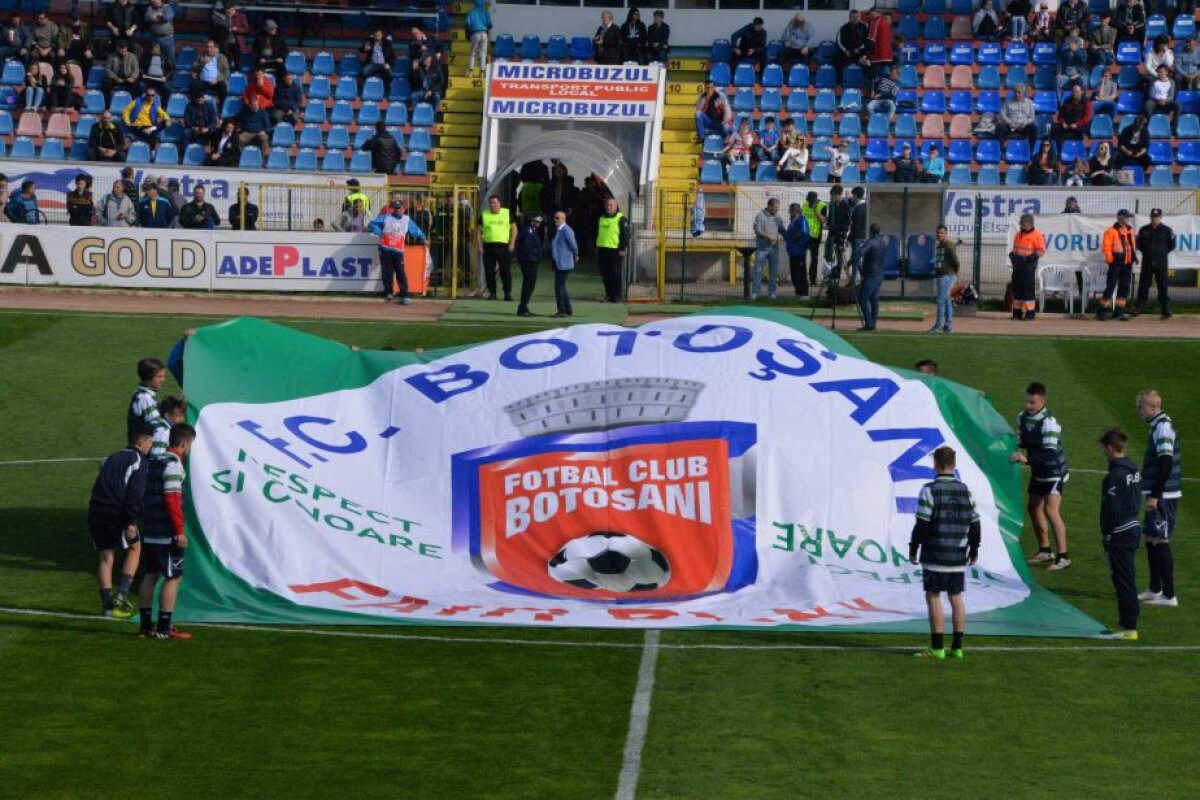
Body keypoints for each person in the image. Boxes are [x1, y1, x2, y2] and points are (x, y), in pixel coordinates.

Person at [909, 445, 981, 659]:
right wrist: (974, 549)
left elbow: (922, 524)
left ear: (935, 464)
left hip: (935, 553)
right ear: (954, 464)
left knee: (933, 596)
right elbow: (975, 523)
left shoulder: (929, 489)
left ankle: (937, 648)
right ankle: (957, 647)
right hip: (958, 554)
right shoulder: (965, 489)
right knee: (956, 596)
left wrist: (914, 547)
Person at [137, 423, 197, 640]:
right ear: (184, 443)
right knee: (173, 577)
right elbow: (172, 499)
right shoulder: (173, 465)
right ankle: (164, 627)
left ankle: (145, 627)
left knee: (150, 575)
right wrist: (179, 531)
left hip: (150, 529)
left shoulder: (154, 461)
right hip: (166, 532)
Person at [87, 423, 152, 619]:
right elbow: (134, 495)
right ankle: (121, 596)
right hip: (116, 513)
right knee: (135, 547)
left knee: (105, 558)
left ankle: (107, 607)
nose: (150, 446)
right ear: (141, 441)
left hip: (96, 510)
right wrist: (130, 522)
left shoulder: (111, 457)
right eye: (150, 442)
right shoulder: (139, 461)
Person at [1010, 382, 1071, 570]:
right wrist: (1015, 439)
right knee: (1033, 508)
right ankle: (1045, 550)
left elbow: (1050, 453)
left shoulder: (1049, 422)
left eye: (1033, 402)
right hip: (1039, 470)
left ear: (1043, 401)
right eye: (1027, 401)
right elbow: (1025, 440)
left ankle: (1063, 557)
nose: (1028, 405)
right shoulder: (1022, 416)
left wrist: (1026, 459)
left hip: (1053, 471)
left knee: (1051, 511)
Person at [1095, 428, 1143, 640]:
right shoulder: (1134, 469)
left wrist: (1106, 534)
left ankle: (1129, 628)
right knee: (1126, 578)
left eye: (1103, 449)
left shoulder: (1114, 476)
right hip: (1132, 527)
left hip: (1120, 533)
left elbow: (1111, 509)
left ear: (1109, 448)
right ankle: (1128, 625)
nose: (1102, 453)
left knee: (1124, 580)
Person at [1135, 390, 1181, 608]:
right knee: (1150, 537)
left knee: (1160, 540)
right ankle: (1155, 588)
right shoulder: (1157, 425)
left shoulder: (1162, 427)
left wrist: (1155, 494)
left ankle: (1169, 595)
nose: (1138, 411)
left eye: (1141, 407)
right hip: (1159, 492)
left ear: (1153, 407)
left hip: (1163, 494)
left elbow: (1166, 461)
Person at [369, 198, 426, 305]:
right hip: (385, 249)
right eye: (396, 208)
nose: (397, 210)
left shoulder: (407, 220)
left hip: (398, 251)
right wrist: (379, 232)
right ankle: (388, 292)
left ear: (403, 209)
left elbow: (415, 231)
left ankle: (405, 294)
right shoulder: (386, 217)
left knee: (400, 272)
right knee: (387, 272)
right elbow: (372, 223)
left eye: (399, 208)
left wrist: (423, 238)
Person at [1133, 208, 1174, 318]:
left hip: (1161, 263)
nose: (1154, 219)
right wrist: (1148, 253)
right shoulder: (1143, 230)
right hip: (1147, 262)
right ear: (1150, 217)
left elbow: (1171, 246)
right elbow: (1139, 245)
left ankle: (1165, 309)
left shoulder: (1167, 230)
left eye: (1156, 217)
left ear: (1160, 217)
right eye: (1153, 217)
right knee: (1143, 285)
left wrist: (1160, 253)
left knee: (1162, 286)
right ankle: (1138, 307)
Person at [1098, 208, 1137, 321]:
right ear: (1120, 217)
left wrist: (1133, 257)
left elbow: (1131, 246)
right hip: (1116, 263)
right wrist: (1111, 260)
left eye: (1128, 217)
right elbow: (1106, 247)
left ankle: (1119, 313)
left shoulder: (1130, 230)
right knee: (1110, 287)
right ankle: (1102, 311)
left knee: (1124, 288)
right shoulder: (1110, 231)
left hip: (1127, 263)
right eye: (1127, 217)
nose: (1128, 219)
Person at [477, 195, 516, 301]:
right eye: (491, 203)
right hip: (488, 247)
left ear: (499, 203)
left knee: (505, 271)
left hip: (503, 246)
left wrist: (512, 243)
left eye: (494, 202)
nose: (492, 205)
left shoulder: (507, 213)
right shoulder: (484, 215)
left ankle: (507, 293)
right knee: (489, 271)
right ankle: (492, 293)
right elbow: (479, 231)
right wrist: (479, 246)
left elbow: (514, 229)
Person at [1008, 213, 1045, 320]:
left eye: (1024, 223)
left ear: (1030, 224)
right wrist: (1013, 255)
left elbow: (1041, 250)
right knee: (1017, 289)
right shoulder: (1018, 235)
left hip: (1028, 266)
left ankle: (1030, 313)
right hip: (1017, 265)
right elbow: (1016, 248)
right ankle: (1017, 312)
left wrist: (1031, 257)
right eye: (1021, 223)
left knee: (1028, 289)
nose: (1022, 225)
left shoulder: (1037, 235)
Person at [596, 197, 631, 303]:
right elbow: (598, 234)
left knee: (615, 273)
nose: (609, 207)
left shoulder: (621, 219)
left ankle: (617, 295)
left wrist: (622, 248)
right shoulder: (601, 218)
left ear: (616, 206)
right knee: (605, 273)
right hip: (602, 249)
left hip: (615, 250)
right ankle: (608, 294)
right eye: (607, 205)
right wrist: (596, 247)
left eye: (611, 205)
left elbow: (626, 235)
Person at [752, 198, 785, 301]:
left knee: (773, 272)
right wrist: (768, 236)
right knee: (758, 271)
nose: (777, 209)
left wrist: (790, 235)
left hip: (774, 248)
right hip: (762, 248)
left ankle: (772, 293)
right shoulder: (760, 216)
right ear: (770, 206)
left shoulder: (778, 218)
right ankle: (755, 294)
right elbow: (757, 231)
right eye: (775, 207)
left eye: (778, 207)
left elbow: (782, 230)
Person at [857, 224, 887, 331]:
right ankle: (872, 323)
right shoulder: (883, 242)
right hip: (879, 274)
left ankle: (869, 323)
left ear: (870, 231)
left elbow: (860, 253)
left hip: (871, 275)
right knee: (874, 300)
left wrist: (856, 264)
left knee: (862, 298)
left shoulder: (871, 242)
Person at [122, 88, 170, 155]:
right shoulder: (137, 101)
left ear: (155, 96)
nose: (150, 97)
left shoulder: (155, 105)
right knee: (154, 132)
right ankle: (153, 151)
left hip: (149, 126)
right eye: (148, 95)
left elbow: (163, 113)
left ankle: (151, 131)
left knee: (163, 124)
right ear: (145, 95)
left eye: (152, 95)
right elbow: (126, 110)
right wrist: (127, 122)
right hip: (138, 125)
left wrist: (167, 119)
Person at [514, 212, 544, 317]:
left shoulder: (531, 230)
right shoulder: (529, 230)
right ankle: (523, 306)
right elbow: (527, 247)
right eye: (537, 221)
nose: (539, 223)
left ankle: (524, 306)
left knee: (529, 284)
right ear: (532, 221)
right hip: (529, 260)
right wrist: (534, 256)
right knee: (529, 284)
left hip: (531, 259)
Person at [930, 225, 959, 333]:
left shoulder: (948, 245)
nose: (939, 235)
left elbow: (956, 260)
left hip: (947, 276)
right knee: (947, 301)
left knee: (941, 301)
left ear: (946, 234)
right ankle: (948, 326)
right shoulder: (940, 245)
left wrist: (956, 271)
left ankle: (938, 326)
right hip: (942, 275)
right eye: (938, 233)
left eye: (941, 233)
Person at [550, 211, 578, 318]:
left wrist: (575, 255)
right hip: (560, 262)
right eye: (555, 217)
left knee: (559, 286)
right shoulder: (559, 230)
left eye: (558, 218)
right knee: (562, 286)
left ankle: (562, 310)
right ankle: (567, 308)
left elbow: (573, 245)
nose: (555, 220)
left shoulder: (566, 230)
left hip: (564, 263)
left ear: (563, 219)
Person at [1052, 84, 1092, 149]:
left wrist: (1077, 124)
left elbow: (1087, 117)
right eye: (1073, 91)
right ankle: (1059, 149)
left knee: (1081, 130)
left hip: (1079, 124)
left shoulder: (1086, 102)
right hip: (1067, 124)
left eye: (1077, 92)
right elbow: (1060, 115)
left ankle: (1077, 148)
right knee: (1054, 127)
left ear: (1081, 92)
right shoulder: (1067, 101)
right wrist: (1063, 123)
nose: (1074, 93)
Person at [834, 10, 869, 83]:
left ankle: (865, 81)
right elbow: (838, 41)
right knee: (836, 59)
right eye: (854, 17)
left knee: (868, 60)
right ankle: (839, 82)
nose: (856, 18)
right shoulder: (843, 27)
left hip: (859, 51)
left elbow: (868, 40)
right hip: (847, 52)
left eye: (858, 17)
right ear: (849, 18)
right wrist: (845, 50)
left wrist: (859, 49)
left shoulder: (865, 26)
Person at [55, 11, 94, 76]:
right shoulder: (64, 27)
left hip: (82, 50)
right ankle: (62, 77)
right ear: (69, 19)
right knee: (60, 56)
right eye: (73, 20)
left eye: (77, 20)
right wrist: (61, 48)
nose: (75, 22)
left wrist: (88, 49)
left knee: (89, 58)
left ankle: (85, 77)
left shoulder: (85, 26)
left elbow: (90, 39)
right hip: (68, 50)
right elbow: (60, 38)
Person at [801, 190, 827, 287]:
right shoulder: (804, 204)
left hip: (815, 236)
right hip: (804, 235)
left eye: (811, 200)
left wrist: (815, 210)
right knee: (802, 257)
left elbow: (823, 220)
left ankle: (812, 279)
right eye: (809, 200)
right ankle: (802, 278)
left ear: (816, 200)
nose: (809, 202)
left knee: (814, 258)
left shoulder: (822, 206)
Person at [784, 202, 811, 297]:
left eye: (790, 211)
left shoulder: (802, 221)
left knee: (800, 273)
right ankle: (798, 291)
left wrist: (792, 239)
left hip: (799, 251)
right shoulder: (792, 222)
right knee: (794, 273)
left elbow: (803, 233)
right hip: (792, 251)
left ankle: (804, 293)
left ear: (795, 211)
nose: (789, 212)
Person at [192, 38, 230, 103]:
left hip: (216, 81)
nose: (208, 49)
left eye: (211, 47)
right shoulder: (201, 56)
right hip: (204, 81)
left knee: (223, 87)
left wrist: (217, 79)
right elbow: (193, 68)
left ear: (215, 48)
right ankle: (197, 105)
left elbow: (227, 72)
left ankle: (220, 107)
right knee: (194, 85)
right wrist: (203, 63)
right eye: (207, 47)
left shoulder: (222, 57)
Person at [144, 0, 176, 70]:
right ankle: (160, 73)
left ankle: (173, 73)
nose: (153, 1)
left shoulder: (167, 7)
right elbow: (147, 18)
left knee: (170, 57)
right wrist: (159, 16)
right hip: (155, 38)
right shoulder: (150, 8)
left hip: (167, 37)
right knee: (157, 58)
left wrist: (157, 17)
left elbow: (167, 17)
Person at [865, 9, 892, 82]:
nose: (869, 16)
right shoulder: (884, 22)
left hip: (878, 55)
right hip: (886, 55)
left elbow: (872, 39)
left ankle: (874, 89)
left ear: (874, 13)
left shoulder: (875, 22)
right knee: (882, 78)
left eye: (870, 14)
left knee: (874, 78)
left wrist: (866, 54)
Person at [465, 0, 491, 74]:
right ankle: (482, 71)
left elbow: (467, 24)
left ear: (475, 3)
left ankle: (471, 71)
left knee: (473, 53)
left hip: (475, 33)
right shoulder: (486, 13)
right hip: (484, 33)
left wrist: (468, 32)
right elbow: (489, 25)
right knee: (483, 53)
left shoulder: (471, 12)